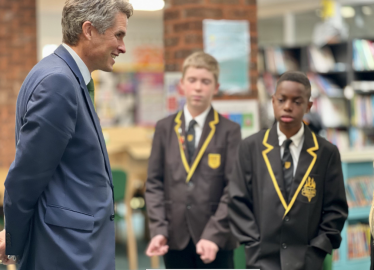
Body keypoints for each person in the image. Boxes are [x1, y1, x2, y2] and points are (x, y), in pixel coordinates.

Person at [0, 0, 133, 269]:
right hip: (67, 251)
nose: (123, 47)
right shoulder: (58, 82)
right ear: (89, 30)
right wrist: (14, 242)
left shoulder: (60, 75)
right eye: (118, 34)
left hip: (69, 245)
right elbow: (25, 177)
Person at [228, 71, 348, 270]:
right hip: (261, 260)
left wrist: (318, 250)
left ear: (308, 106)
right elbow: (237, 200)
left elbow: (336, 209)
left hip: (307, 262)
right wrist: (253, 244)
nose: (287, 107)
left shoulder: (327, 152)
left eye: (296, 102)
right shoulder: (250, 147)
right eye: (281, 100)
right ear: (273, 101)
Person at [145, 52, 241, 269]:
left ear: (216, 87)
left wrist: (214, 234)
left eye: (205, 82)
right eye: (192, 80)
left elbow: (234, 189)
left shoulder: (230, 131)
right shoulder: (164, 128)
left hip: (216, 238)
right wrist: (159, 229)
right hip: (174, 235)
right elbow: (154, 184)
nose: (198, 87)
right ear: (182, 85)